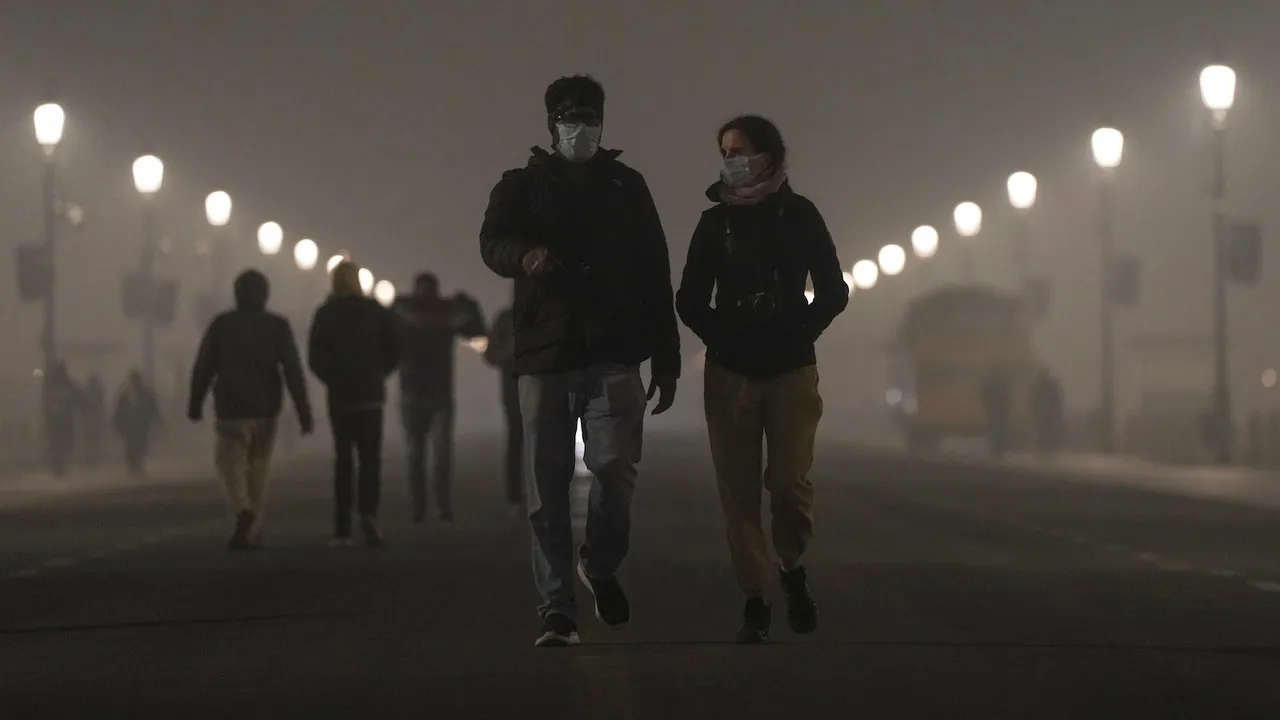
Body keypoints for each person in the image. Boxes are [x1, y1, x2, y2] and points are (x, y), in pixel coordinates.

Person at [479, 74, 681, 647]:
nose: (581, 126)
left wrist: (667, 358)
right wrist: (525, 255)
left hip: (614, 351)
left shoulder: (626, 186)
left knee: (616, 469)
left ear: (604, 121)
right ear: (551, 122)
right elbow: (491, 244)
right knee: (545, 487)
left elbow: (655, 272)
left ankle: (601, 562)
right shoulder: (521, 186)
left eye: (591, 115)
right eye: (570, 116)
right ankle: (557, 609)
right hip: (544, 354)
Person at [675, 115, 847, 644]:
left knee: (789, 484)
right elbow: (688, 298)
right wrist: (723, 334)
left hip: (791, 370)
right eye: (725, 150)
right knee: (739, 494)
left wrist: (797, 325)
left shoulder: (800, 215)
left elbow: (834, 290)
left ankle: (792, 567)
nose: (732, 159)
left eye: (741, 149)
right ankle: (755, 598)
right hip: (731, 373)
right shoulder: (714, 223)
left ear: (769, 156)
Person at [189, 269, 314, 552]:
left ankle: (242, 508)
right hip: (267, 407)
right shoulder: (277, 326)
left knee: (229, 464)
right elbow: (293, 370)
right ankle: (253, 528)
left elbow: (204, 366)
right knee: (259, 468)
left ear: (236, 294)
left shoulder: (221, 325)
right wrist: (303, 410)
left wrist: (195, 401)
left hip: (231, 407)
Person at [309, 261, 400, 547]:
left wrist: (333, 377)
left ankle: (343, 526)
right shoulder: (375, 311)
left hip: (341, 396)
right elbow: (396, 347)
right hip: (371, 395)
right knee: (370, 459)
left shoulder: (325, 314)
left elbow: (315, 356)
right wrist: (378, 373)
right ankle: (369, 515)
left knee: (344, 461)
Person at [391, 273, 485, 523]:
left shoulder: (403, 311)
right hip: (436, 390)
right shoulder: (447, 314)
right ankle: (438, 505)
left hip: (415, 389)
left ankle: (420, 506)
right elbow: (474, 329)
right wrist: (468, 306)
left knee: (418, 453)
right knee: (437, 453)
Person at [483, 303, 523, 512]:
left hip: (546, 391)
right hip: (514, 393)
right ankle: (515, 494)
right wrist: (510, 349)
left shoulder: (549, 313)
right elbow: (491, 355)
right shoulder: (506, 319)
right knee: (517, 441)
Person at [112, 370, 161, 475]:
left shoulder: (146, 394)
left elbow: (154, 408)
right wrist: (117, 425)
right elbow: (119, 411)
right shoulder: (125, 395)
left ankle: (138, 465)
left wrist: (157, 420)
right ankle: (133, 466)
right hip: (129, 428)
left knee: (141, 445)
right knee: (130, 447)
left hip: (141, 426)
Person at [44, 362, 80, 477]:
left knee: (57, 442)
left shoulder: (52, 383)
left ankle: (58, 464)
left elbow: (47, 401)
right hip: (64, 418)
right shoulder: (65, 383)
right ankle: (59, 464)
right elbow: (76, 395)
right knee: (64, 441)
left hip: (57, 419)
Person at [1030, 367, 1063, 458]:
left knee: (1046, 434)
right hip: (1045, 416)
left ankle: (1046, 452)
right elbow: (1034, 402)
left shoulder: (1041, 386)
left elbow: (1057, 401)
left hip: (1047, 416)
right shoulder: (1040, 386)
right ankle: (1045, 452)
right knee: (1044, 434)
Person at [981, 366, 1013, 460]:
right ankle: (999, 449)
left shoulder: (990, 383)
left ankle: (995, 450)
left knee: (994, 430)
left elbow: (984, 395)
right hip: (1000, 411)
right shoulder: (1002, 384)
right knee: (1000, 430)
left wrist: (987, 404)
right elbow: (1007, 397)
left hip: (993, 411)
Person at [80, 374, 107, 466]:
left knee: (89, 441)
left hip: (88, 418)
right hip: (96, 418)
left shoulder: (85, 391)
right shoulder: (99, 390)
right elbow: (101, 406)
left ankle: (89, 459)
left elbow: (83, 406)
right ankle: (95, 459)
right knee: (95, 441)